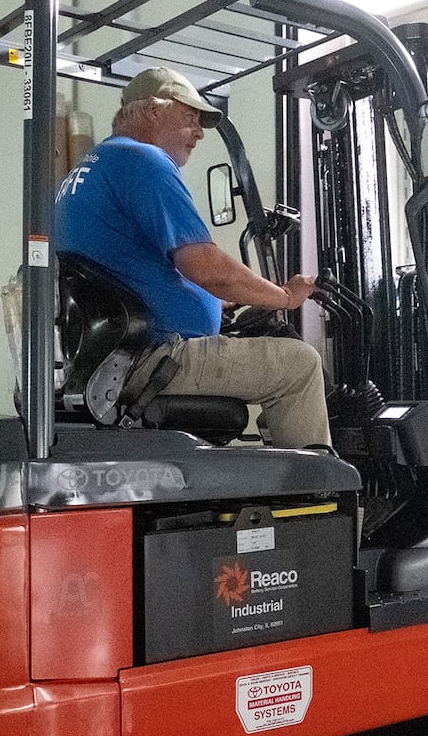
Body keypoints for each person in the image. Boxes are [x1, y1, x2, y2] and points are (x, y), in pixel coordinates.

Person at [53, 66, 331, 449]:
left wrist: (215, 303)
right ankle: (312, 498)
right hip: (153, 357)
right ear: (153, 111)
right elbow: (205, 267)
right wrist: (284, 296)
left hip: (116, 358)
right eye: (190, 118)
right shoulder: (143, 161)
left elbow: (128, 269)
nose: (199, 133)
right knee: (300, 364)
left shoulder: (92, 168)